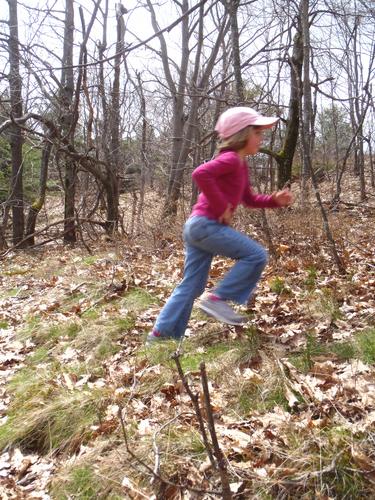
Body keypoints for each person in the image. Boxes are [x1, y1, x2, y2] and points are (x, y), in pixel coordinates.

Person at [147, 107, 293, 343]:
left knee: (191, 286)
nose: (261, 138)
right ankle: (218, 299)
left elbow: (248, 199)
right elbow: (200, 173)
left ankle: (161, 336)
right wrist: (221, 206)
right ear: (243, 134)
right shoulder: (231, 159)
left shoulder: (240, 165)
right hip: (206, 225)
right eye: (257, 133)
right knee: (256, 255)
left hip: (197, 227)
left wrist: (274, 201)